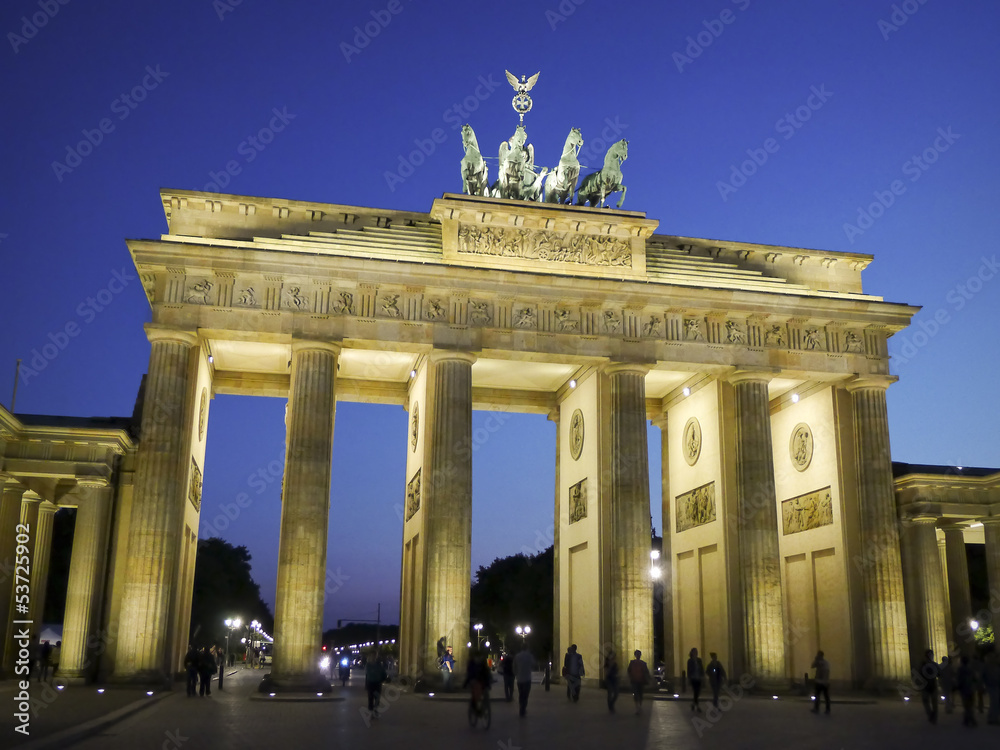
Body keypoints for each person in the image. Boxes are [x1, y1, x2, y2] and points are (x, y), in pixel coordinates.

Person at [463, 649, 492, 717]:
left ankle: (484, 707)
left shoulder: (483, 663)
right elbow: (470, 673)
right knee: (476, 695)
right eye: (477, 657)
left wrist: (490, 680)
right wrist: (468, 682)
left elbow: (487, 672)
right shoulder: (471, 663)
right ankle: (475, 709)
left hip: (482, 680)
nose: (478, 658)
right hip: (474, 680)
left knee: (486, 693)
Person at [918, 649, 940, 724]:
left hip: (927, 686)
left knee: (927, 702)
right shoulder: (934, 664)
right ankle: (933, 717)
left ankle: (931, 715)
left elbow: (919, 674)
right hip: (931, 685)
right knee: (933, 703)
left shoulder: (923, 665)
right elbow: (939, 674)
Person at [627, 650, 652, 715]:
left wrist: (648, 678)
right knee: (636, 694)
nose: (638, 656)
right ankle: (637, 707)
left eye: (639, 654)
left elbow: (646, 672)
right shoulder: (632, 663)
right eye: (637, 654)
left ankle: (639, 707)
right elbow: (629, 670)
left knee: (640, 694)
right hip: (634, 681)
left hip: (641, 681)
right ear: (635, 655)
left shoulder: (643, 663)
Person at [956, 654, 978, 727]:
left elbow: (959, 680)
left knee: (967, 706)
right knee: (970, 705)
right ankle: (968, 719)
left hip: (964, 689)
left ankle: (969, 719)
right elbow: (975, 678)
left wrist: (958, 687)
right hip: (971, 689)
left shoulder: (960, 669)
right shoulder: (971, 669)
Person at [365, 650, 388, 717]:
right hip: (371, 682)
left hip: (377, 682)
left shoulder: (379, 664)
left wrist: (384, 678)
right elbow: (369, 673)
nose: (374, 657)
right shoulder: (368, 665)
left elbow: (383, 672)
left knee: (377, 697)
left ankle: (375, 709)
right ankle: (371, 711)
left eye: (375, 656)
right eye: (373, 656)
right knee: (371, 697)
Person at [513, 643, 534, 716]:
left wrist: (516, 673)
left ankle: (521, 707)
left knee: (521, 694)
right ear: (527, 648)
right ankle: (523, 708)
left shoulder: (517, 656)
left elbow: (514, 666)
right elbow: (533, 664)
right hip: (527, 678)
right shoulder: (529, 656)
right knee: (526, 694)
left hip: (519, 678)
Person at [983, 650, 1000, 726]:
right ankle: (992, 718)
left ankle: (993, 718)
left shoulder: (995, 666)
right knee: (994, 702)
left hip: (995, 685)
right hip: (992, 686)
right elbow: (985, 677)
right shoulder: (988, 667)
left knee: (995, 702)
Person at [687, 647, 704, 713]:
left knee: (697, 692)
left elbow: (702, 668)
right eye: (695, 652)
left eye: (696, 652)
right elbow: (688, 670)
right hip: (693, 678)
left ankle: (693, 704)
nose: (696, 653)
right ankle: (697, 706)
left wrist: (702, 675)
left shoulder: (699, 660)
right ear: (692, 653)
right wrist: (689, 678)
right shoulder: (690, 661)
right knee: (696, 692)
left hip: (698, 678)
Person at [604, 648, 620, 713]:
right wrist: (610, 665)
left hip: (615, 679)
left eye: (614, 656)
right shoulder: (607, 663)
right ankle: (610, 707)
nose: (613, 657)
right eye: (612, 655)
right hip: (609, 679)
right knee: (610, 693)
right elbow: (606, 672)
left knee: (616, 693)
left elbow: (617, 670)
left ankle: (611, 704)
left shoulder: (615, 663)